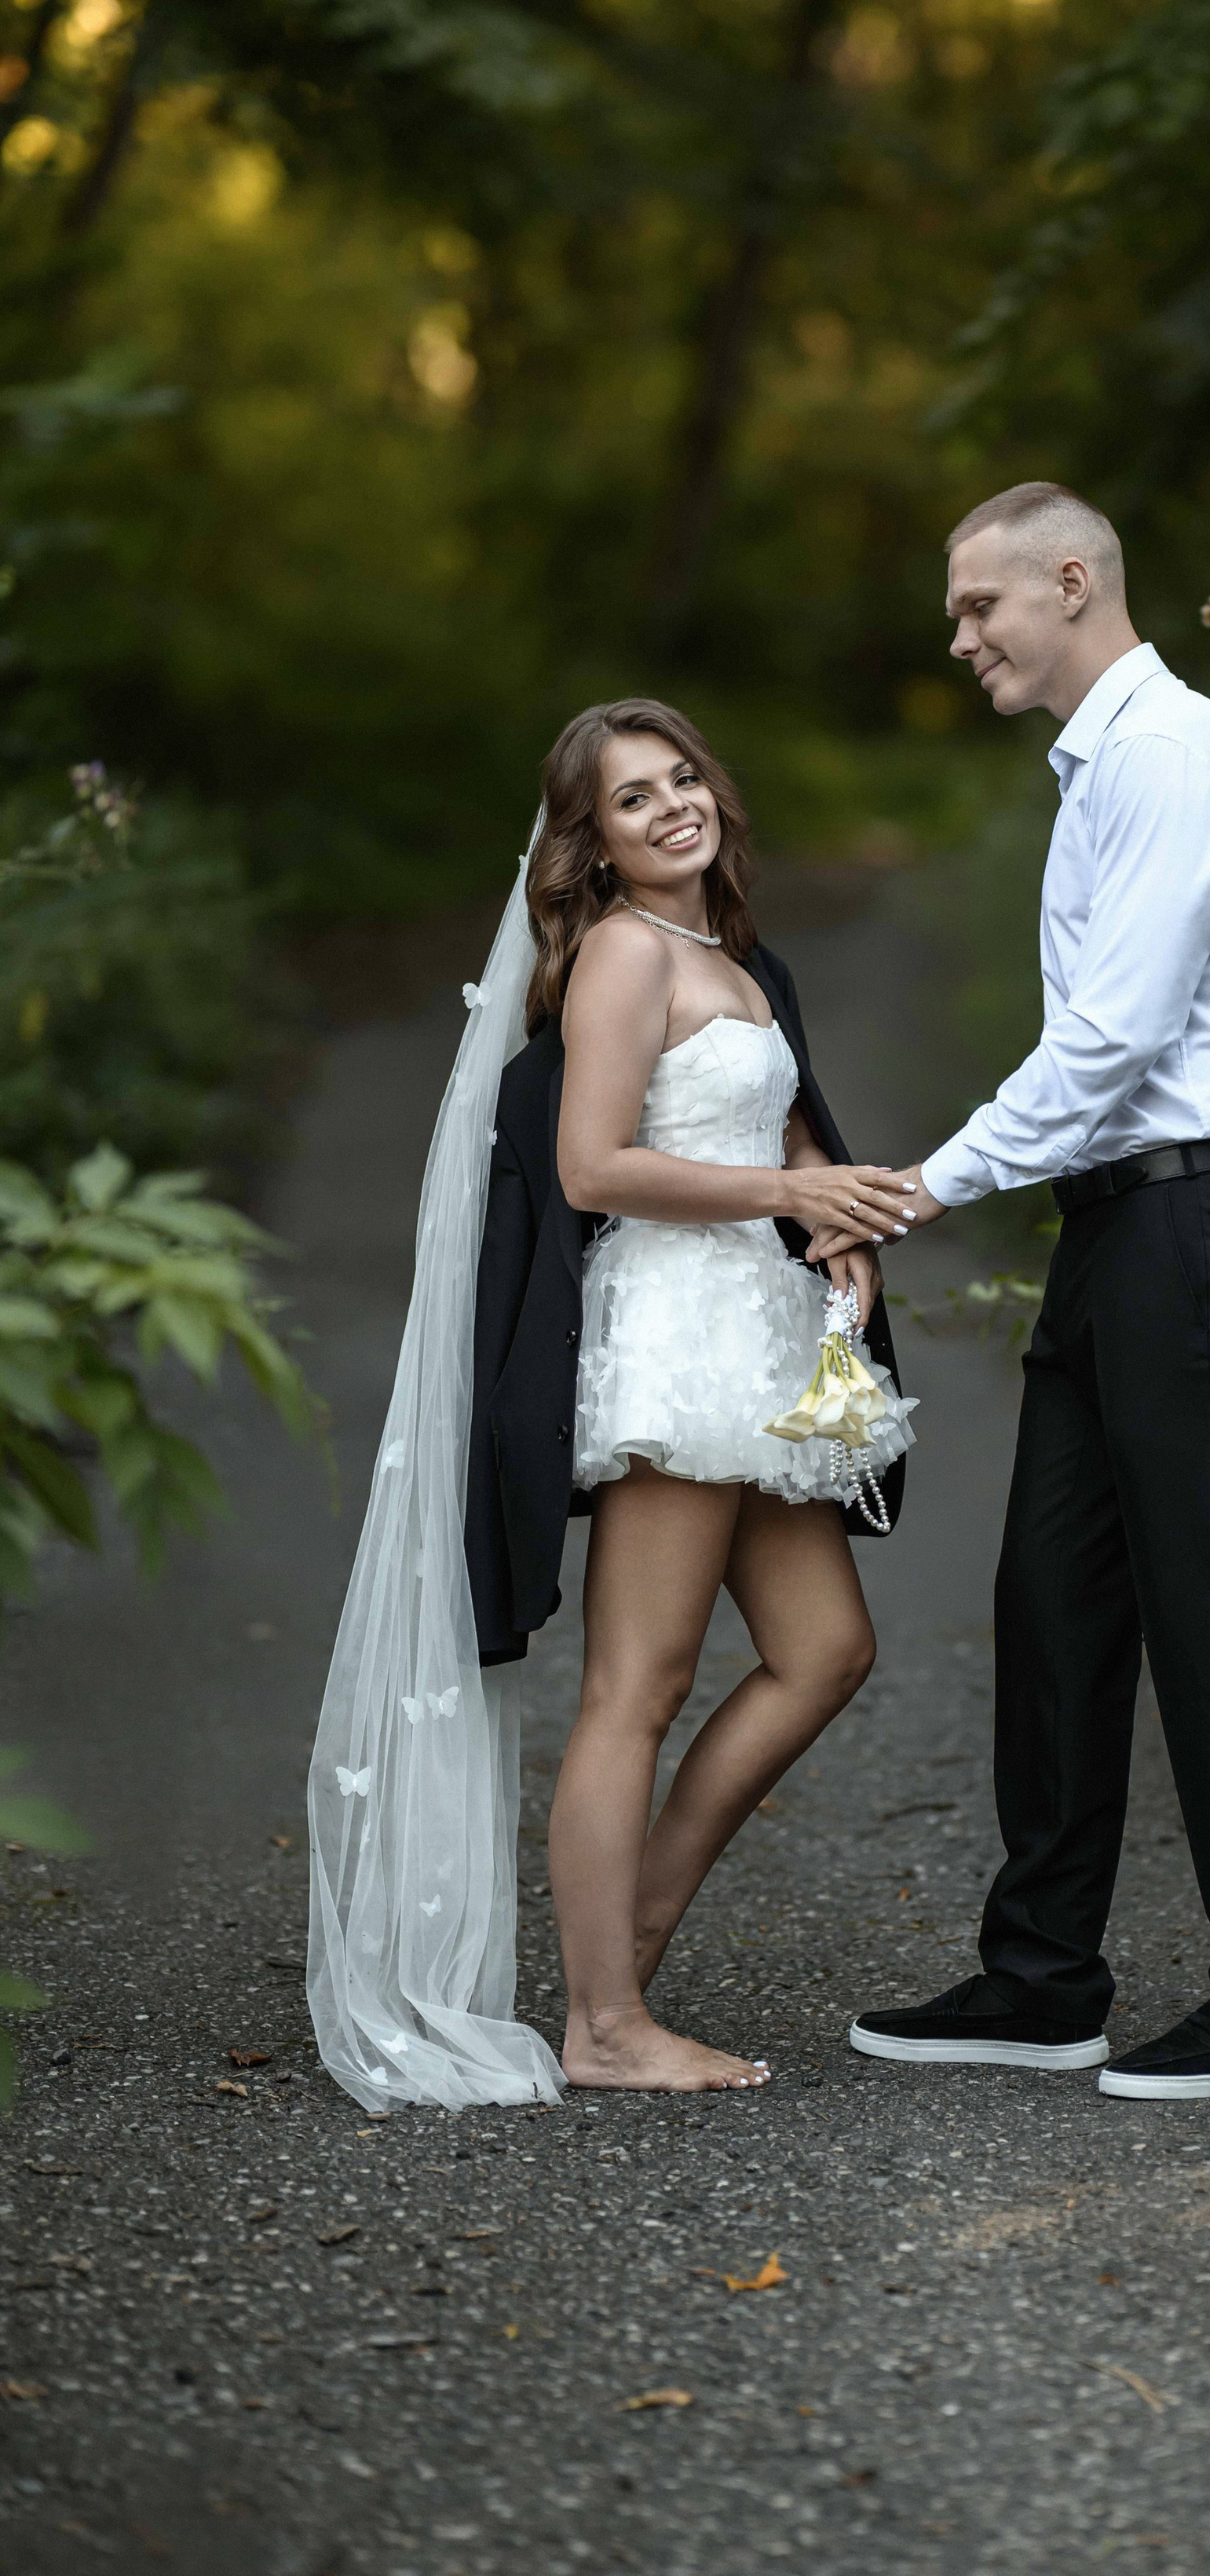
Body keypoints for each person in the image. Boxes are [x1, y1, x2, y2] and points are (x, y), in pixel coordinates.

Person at [307, 697, 916, 2109]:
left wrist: (840, 1218)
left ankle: (625, 1930)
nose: (671, 806)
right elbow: (591, 1167)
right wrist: (784, 1191)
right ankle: (602, 2020)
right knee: (634, 1689)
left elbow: (784, 1120)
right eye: (632, 799)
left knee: (824, 1650)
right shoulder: (628, 955)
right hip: (679, 1336)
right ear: (592, 845)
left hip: (760, 1334)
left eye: (683, 775)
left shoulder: (734, 955)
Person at [843, 483, 1210, 2103]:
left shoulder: (1172, 753)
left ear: (1071, 580)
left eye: (979, 606)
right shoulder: (1106, 765)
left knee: (1208, 1609)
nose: (959, 635)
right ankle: (1041, 1978)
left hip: (1197, 1224)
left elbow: (1117, 1040)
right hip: (1119, 1233)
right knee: (1053, 1607)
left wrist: (923, 1185)